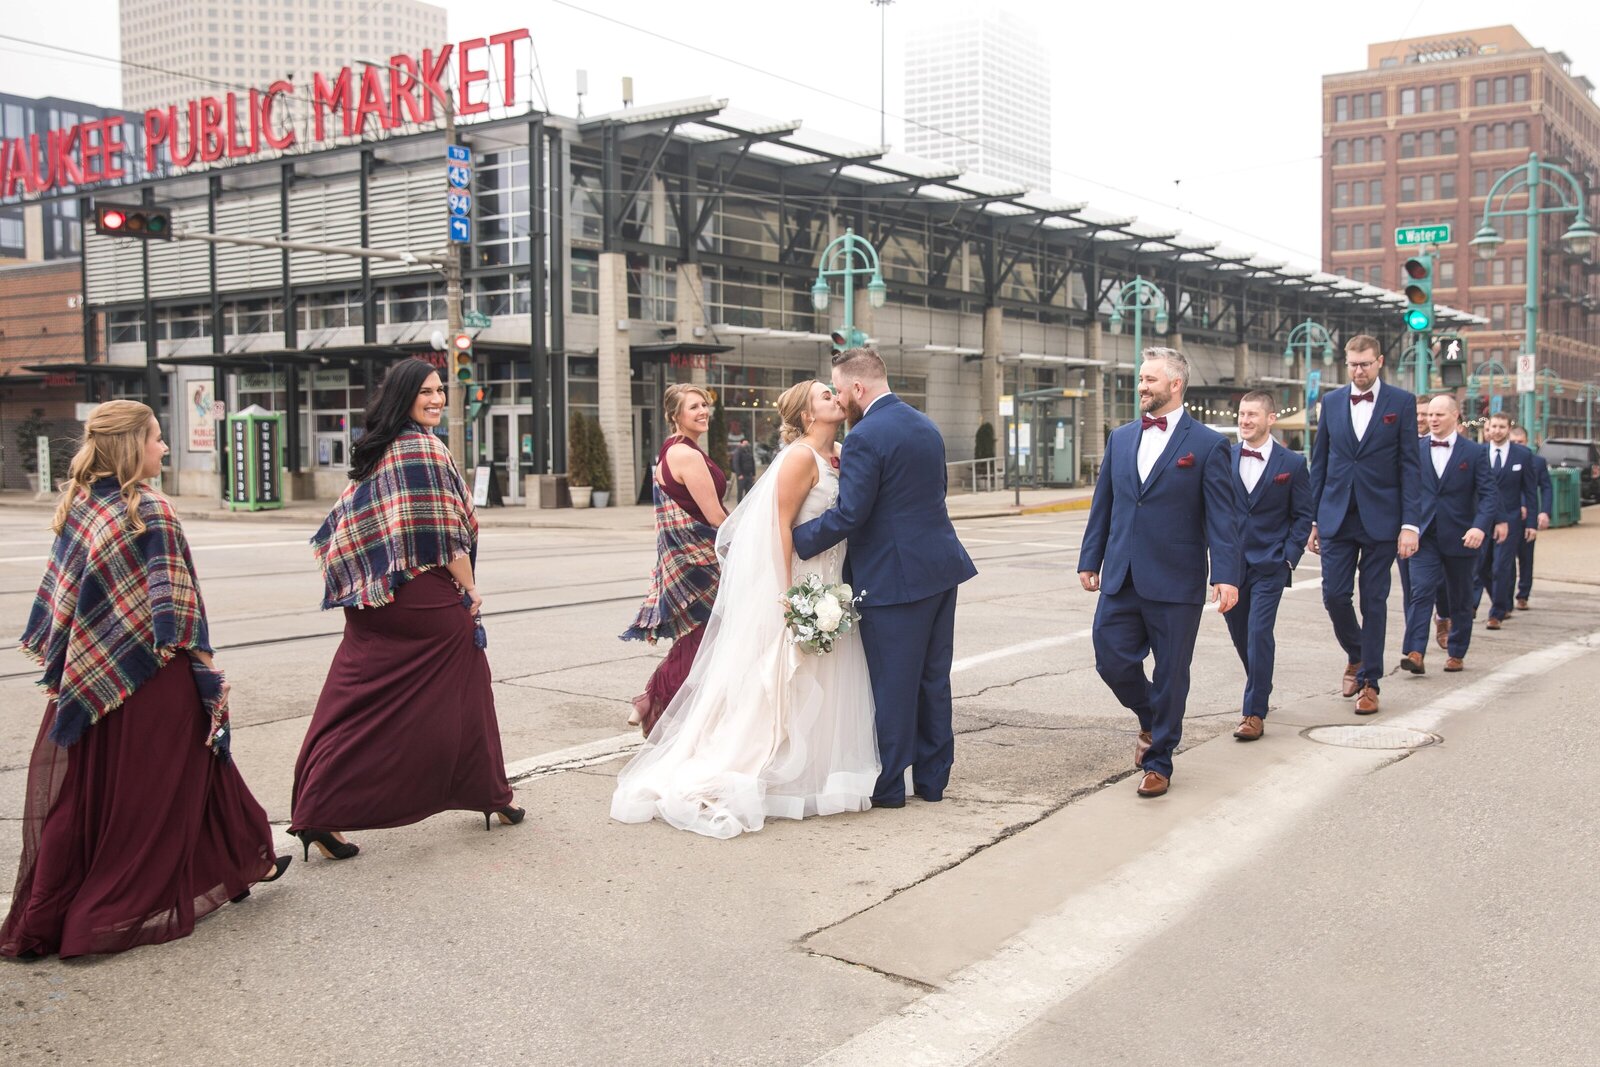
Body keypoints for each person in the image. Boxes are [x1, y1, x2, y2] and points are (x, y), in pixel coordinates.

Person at [2, 401, 289, 959]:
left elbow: (64, 602)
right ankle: (101, 913)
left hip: (91, 680)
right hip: (151, 674)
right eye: (157, 439)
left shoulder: (82, 505)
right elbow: (177, 604)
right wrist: (206, 669)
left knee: (92, 792)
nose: (163, 448)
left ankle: (244, 855)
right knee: (158, 789)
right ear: (133, 444)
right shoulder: (149, 509)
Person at [611, 380, 879, 837]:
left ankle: (818, 772)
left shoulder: (840, 455)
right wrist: (788, 592)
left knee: (827, 675)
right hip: (801, 580)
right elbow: (779, 525)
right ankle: (758, 767)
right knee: (784, 678)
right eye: (825, 396)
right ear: (807, 413)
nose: (837, 398)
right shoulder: (799, 457)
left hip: (832, 578)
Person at [292, 359, 521, 860]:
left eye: (440, 390)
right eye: (425, 392)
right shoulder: (424, 450)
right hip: (422, 599)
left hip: (373, 599)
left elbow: (343, 526)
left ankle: (317, 810)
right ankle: (490, 793)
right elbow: (447, 535)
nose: (437, 399)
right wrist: (471, 589)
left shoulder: (379, 450)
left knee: (355, 700)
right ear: (404, 396)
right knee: (464, 690)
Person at [792, 348, 977, 808]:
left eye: (839, 389)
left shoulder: (865, 436)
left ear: (858, 388)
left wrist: (799, 539)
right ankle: (933, 781)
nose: (838, 397)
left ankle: (890, 786)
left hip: (895, 579)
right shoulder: (925, 425)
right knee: (933, 678)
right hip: (941, 569)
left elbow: (852, 513)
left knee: (893, 684)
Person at [1077, 348, 1240, 797]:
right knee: (1111, 659)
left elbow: (1221, 518)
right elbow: (1104, 503)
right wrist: (1090, 559)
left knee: (1172, 672)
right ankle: (1152, 717)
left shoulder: (1208, 445)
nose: (1142, 386)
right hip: (1122, 575)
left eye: (1150, 379)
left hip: (1176, 579)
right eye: (1141, 378)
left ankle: (1160, 760)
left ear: (1175, 385)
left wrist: (1225, 574)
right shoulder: (1122, 437)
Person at [1307, 334, 1422, 716]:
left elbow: (1410, 466)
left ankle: (1370, 682)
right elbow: (1319, 463)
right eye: (1353, 364)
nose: (1358, 370)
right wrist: (1312, 519)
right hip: (1336, 515)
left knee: (1374, 600)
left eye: (1365, 364)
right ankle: (1357, 654)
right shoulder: (1332, 402)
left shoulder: (1401, 403)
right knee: (1334, 595)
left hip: (1382, 518)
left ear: (1380, 362)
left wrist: (1410, 525)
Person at [621, 384, 728, 734]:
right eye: (693, 407)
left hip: (687, 560)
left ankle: (653, 700)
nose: (702, 411)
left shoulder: (671, 451)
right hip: (699, 563)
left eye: (704, 405)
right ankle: (658, 706)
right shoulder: (687, 455)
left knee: (697, 637)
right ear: (675, 416)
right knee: (704, 637)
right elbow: (715, 517)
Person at [1225, 392, 1312, 742]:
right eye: (1242, 414)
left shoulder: (1291, 463)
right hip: (1230, 567)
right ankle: (1261, 680)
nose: (1245, 420)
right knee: (1241, 636)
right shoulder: (1225, 457)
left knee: (1259, 633)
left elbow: (1304, 515)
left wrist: (1289, 556)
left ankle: (1253, 712)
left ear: (1270, 419)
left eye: (1252, 415)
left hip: (1270, 564)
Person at [1399, 395, 1498, 675]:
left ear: (1456, 416)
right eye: (1430, 414)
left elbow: (1490, 495)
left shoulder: (1475, 453)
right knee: (1420, 592)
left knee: (1461, 597)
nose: (1432, 419)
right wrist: (1406, 526)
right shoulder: (1414, 450)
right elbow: (1404, 490)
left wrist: (1479, 526)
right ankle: (1415, 651)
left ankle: (1456, 651)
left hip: (1461, 535)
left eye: (1439, 415)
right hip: (1424, 534)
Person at [1471, 413, 1538, 631]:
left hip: (1511, 520)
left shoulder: (1523, 455)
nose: (1497, 430)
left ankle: (1497, 612)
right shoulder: (1477, 452)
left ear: (1509, 429)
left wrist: (1531, 524)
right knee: (1481, 567)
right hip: (1483, 519)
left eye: (1502, 426)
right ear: (1487, 429)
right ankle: (1499, 601)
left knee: (1501, 566)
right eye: (1493, 426)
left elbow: (1530, 491)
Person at [1509, 427, 1552, 611]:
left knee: (1526, 558)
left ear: (1526, 442)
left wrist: (1544, 512)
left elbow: (1546, 487)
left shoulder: (1537, 462)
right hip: (1509, 516)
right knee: (1505, 561)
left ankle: (1523, 595)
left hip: (1528, 518)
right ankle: (1503, 599)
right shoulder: (1502, 460)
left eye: (1521, 442)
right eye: (1514, 442)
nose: (1517, 445)